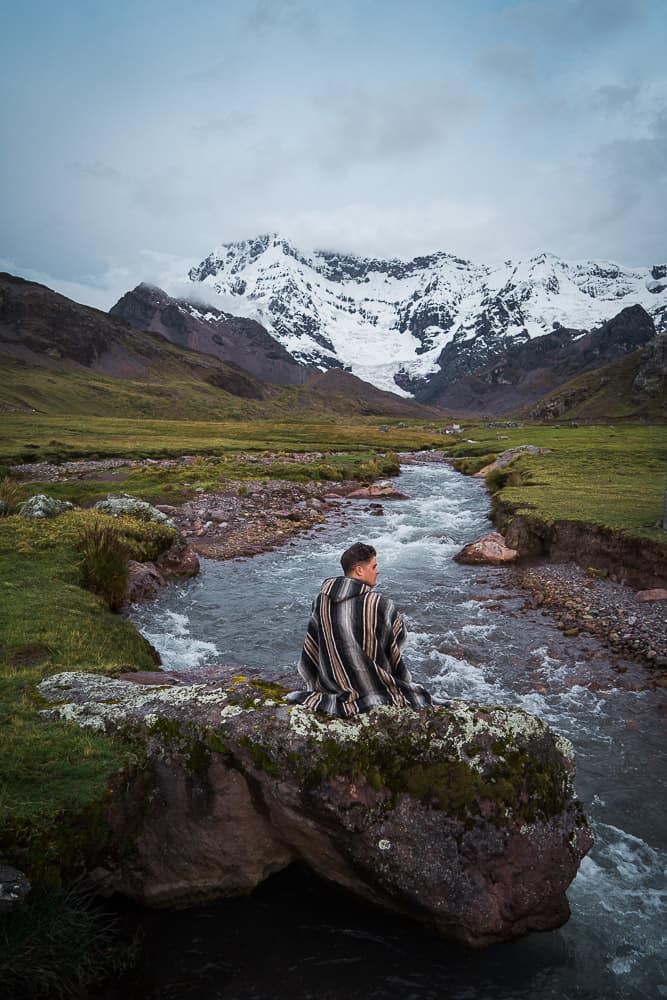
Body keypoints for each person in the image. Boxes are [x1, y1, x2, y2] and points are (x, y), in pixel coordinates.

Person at [285, 542, 434, 716]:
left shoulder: (320, 600)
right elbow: (397, 643)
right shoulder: (380, 605)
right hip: (372, 689)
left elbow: (314, 645)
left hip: (330, 686)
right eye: (374, 566)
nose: (377, 571)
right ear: (359, 570)